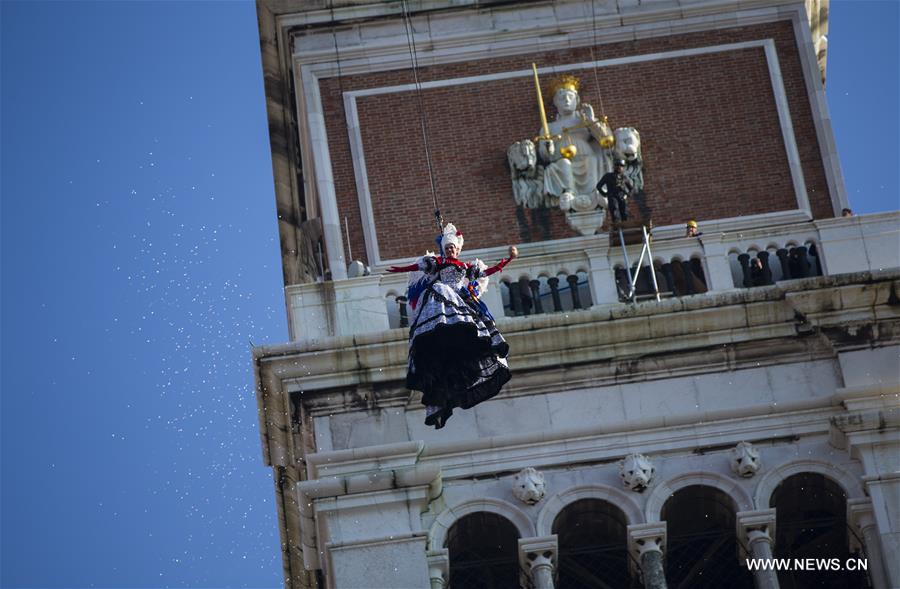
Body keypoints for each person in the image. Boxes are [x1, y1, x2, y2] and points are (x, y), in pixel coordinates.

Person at [388, 224, 517, 429]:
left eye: (453, 248)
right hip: (444, 295)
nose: (450, 250)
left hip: (460, 297)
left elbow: (485, 273)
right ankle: (443, 330)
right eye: (447, 248)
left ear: (457, 250)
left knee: (472, 319)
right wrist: (399, 269)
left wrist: (505, 262)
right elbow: (417, 268)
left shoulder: (466, 267)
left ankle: (461, 335)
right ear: (444, 249)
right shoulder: (438, 262)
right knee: (440, 291)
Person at [539, 75, 613, 212]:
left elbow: (606, 140)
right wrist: (548, 147)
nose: (566, 100)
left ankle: (594, 192)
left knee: (591, 160)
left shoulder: (585, 119)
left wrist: (591, 121)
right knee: (563, 164)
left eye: (570, 97)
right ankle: (569, 191)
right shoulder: (549, 127)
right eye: (561, 98)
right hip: (562, 157)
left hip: (586, 154)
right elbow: (545, 155)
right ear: (555, 102)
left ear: (577, 99)